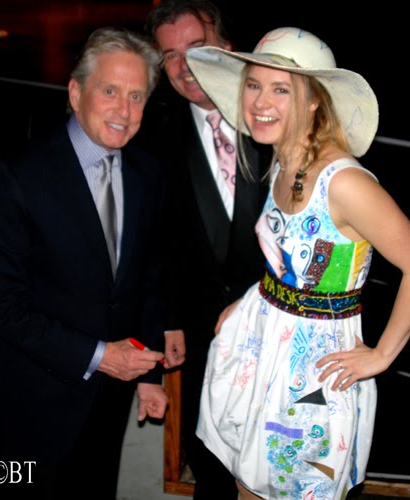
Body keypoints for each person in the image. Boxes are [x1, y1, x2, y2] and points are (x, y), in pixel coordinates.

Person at [185, 27, 410, 499]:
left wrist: (382, 355)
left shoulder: (344, 182)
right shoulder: (283, 162)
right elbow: (289, 262)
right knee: (247, 486)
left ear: (316, 100)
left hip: (315, 370)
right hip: (262, 348)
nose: (261, 101)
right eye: (255, 85)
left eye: (282, 89)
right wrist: (248, 303)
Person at [0, 27, 167, 500]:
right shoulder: (16, 176)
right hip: (30, 409)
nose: (124, 110)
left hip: (108, 406)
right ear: (76, 92)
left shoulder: (146, 173)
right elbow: (1, 308)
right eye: (110, 91)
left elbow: (141, 281)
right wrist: (103, 357)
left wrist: (148, 375)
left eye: (137, 96)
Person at [136, 1, 272, 499]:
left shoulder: (278, 119)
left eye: (197, 48)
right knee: (211, 473)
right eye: (170, 55)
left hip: (282, 333)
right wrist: (165, 321)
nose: (184, 66)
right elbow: (150, 247)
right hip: (201, 340)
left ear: (227, 48)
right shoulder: (152, 135)